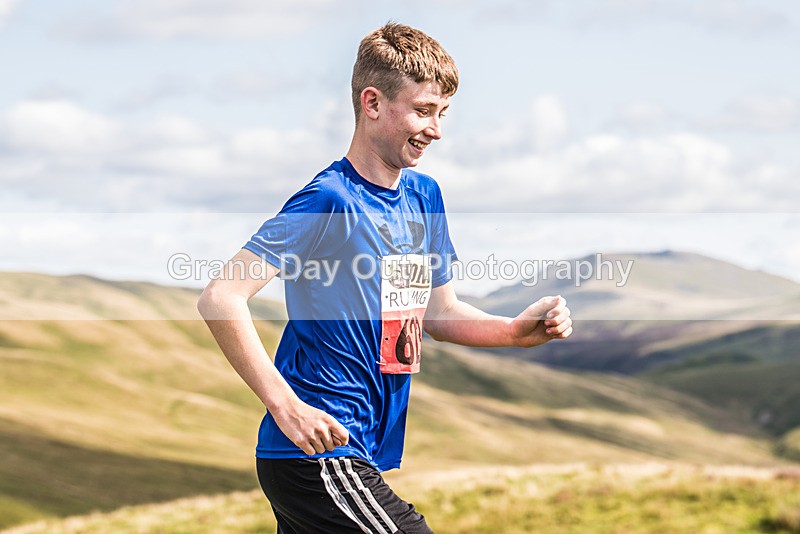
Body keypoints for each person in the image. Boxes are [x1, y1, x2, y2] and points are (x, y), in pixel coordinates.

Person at [197, 22, 573, 534]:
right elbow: (221, 297)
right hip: (320, 453)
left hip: (358, 451)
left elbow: (438, 313)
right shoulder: (329, 199)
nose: (436, 130)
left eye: (442, 113)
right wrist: (286, 407)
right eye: (423, 110)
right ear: (372, 103)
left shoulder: (424, 198)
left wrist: (512, 332)